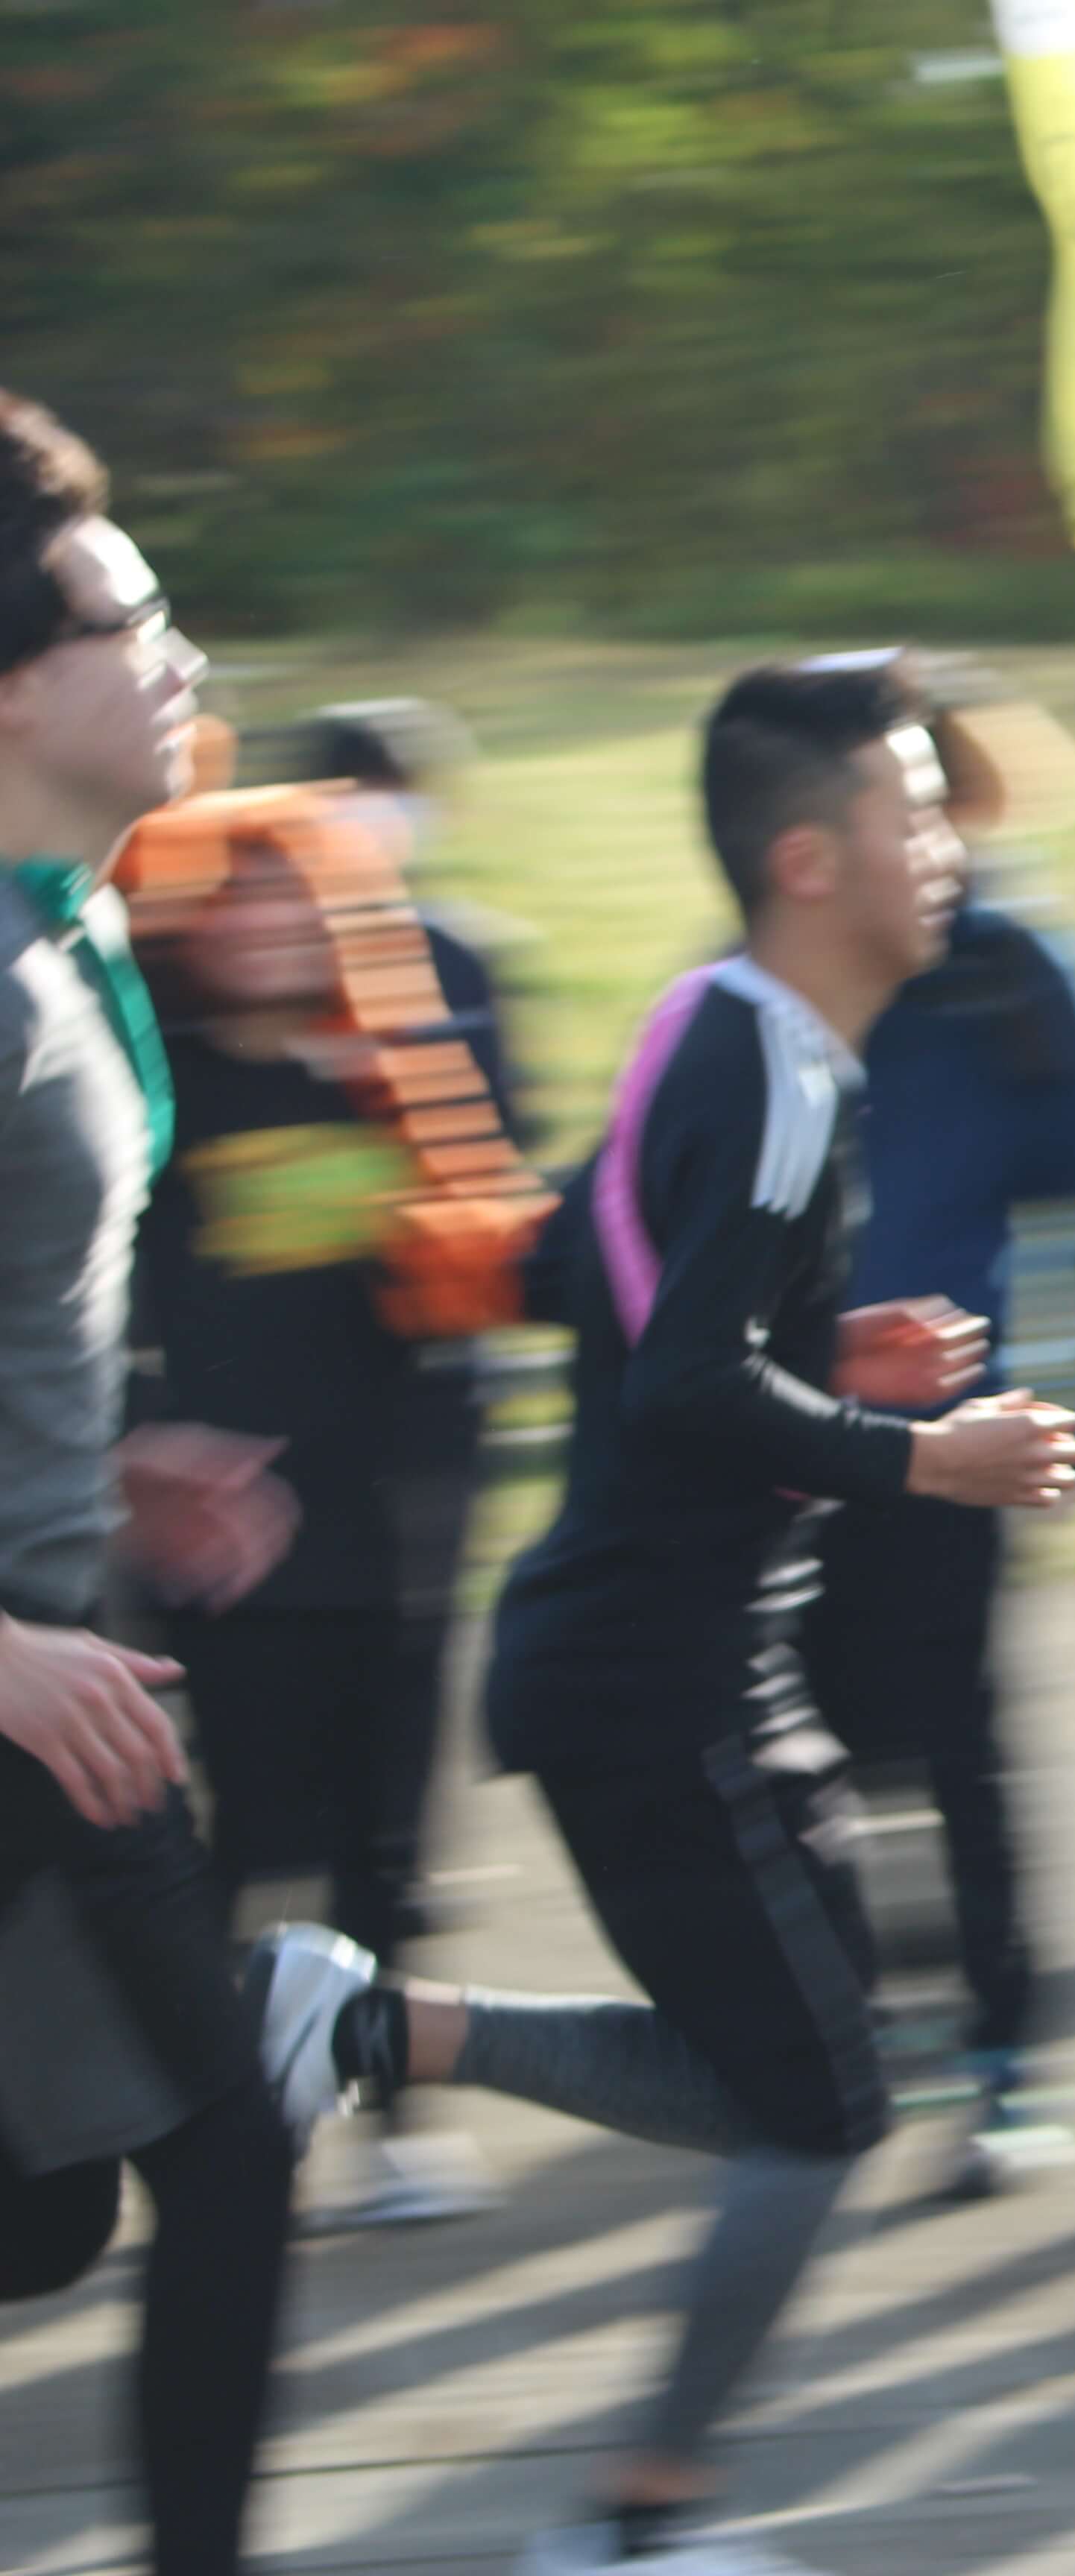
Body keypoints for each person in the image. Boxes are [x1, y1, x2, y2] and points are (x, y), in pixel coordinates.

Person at [253, 652, 1075, 2575]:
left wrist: (829, 1348)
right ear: (810, 858)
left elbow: (586, 1272)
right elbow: (681, 1387)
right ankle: (635, 2528)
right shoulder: (779, 1066)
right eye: (910, 811)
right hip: (661, 1668)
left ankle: (371, 2019)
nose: (947, 842)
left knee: (778, 2075)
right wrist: (923, 1456)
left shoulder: (719, 1026)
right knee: (819, 2100)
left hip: (659, 1655)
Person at [0, 384, 308, 2576]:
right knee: (224, 2157)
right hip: (25, 1700)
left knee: (45, 2219)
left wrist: (110, 1472)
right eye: (129, 617)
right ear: (15, 686)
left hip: (62, 1668)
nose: (179, 652)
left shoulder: (60, 939)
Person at [124, 782, 540, 2229]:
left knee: (386, 1840)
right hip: (223, 1532)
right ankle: (221, 2117)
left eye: (290, 893)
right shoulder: (150, 1081)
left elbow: (505, 1248)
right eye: (231, 895)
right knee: (241, 1839)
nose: (262, 921)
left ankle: (391, 2115)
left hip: (399, 1517)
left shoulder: (394, 1066)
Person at [798, 677, 1075, 2197]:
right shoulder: (771, 977)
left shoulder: (1020, 979)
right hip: (792, 1428)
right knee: (819, 1742)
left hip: (957, 1432)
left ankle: (1000, 2049)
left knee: (954, 1741)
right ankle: (867, 2024)